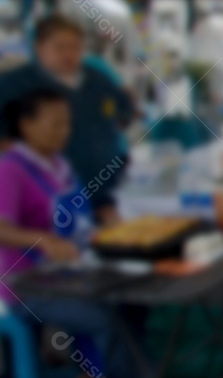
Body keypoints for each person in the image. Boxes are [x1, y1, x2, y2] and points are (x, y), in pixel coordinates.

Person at [0, 88, 168, 378]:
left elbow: (77, 218)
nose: (64, 130)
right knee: (106, 315)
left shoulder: (59, 164)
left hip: (71, 271)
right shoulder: (11, 169)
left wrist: (106, 225)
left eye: (67, 123)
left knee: (136, 297)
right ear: (25, 125)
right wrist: (41, 240)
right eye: (55, 123)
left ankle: (105, 377)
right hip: (26, 287)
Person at [0, 16, 133, 223]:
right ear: (38, 47)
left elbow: (123, 112)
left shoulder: (97, 78)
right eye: (59, 47)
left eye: (75, 47)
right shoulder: (13, 85)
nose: (68, 54)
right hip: (47, 203)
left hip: (106, 196)